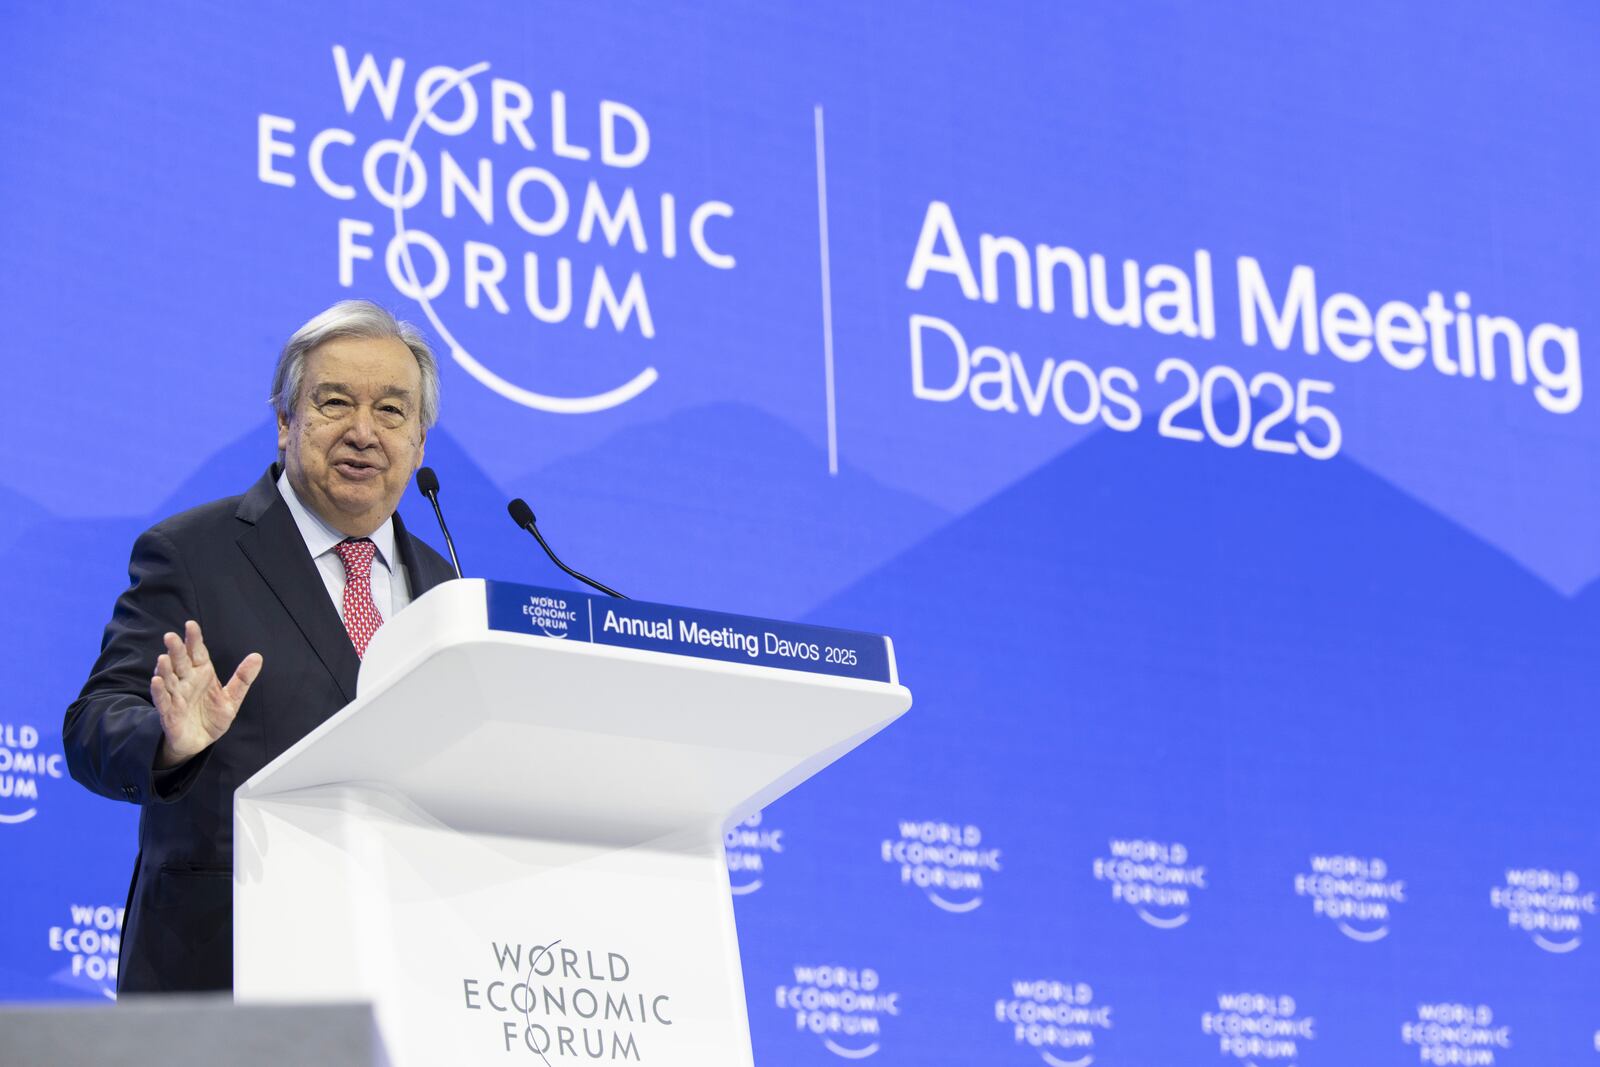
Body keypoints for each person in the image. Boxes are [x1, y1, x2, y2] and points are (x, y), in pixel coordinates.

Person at [63, 300, 457, 993]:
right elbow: (94, 724)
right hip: (225, 971)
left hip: (405, 975)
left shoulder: (448, 589)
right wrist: (169, 739)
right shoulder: (192, 552)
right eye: (334, 402)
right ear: (285, 422)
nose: (363, 432)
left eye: (392, 411)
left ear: (420, 442)